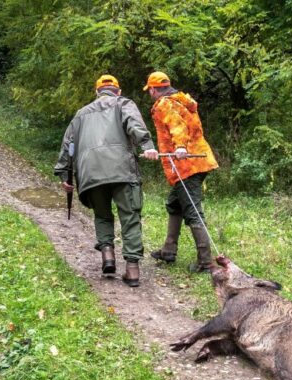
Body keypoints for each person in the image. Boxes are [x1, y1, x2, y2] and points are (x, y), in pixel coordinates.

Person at [54, 74, 159, 287]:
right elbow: (134, 124)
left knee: (102, 215)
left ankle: (108, 256)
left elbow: (68, 146)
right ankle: (132, 270)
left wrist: (65, 174)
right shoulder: (124, 103)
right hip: (122, 170)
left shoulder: (80, 114)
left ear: (97, 93)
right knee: (130, 217)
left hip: (91, 174)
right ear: (117, 91)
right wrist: (147, 146)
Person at [143, 71, 219, 272]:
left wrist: (180, 147)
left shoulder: (164, 104)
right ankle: (168, 251)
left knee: (193, 213)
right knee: (174, 204)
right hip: (198, 161)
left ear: (152, 89)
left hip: (187, 165)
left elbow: (178, 126)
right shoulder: (182, 101)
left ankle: (206, 263)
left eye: (149, 90)